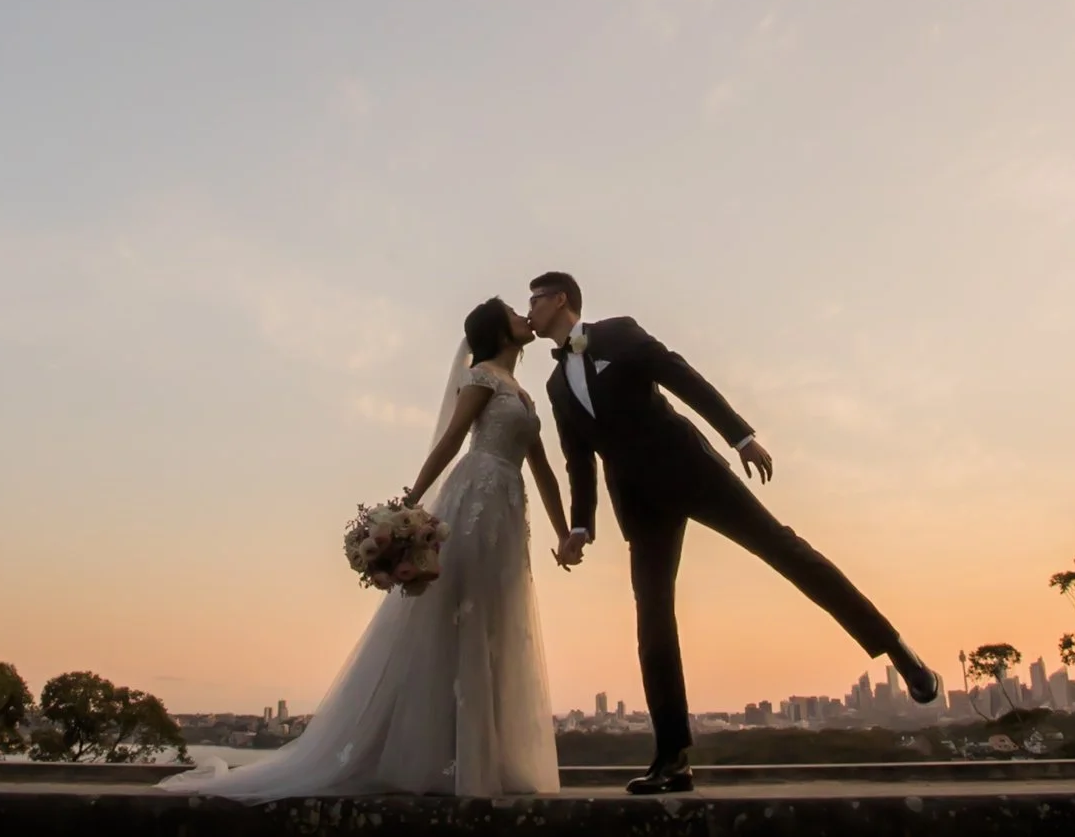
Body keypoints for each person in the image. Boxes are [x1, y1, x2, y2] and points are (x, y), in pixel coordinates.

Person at [527, 269, 938, 795]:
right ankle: (673, 759)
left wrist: (741, 436)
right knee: (652, 621)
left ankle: (900, 653)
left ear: (560, 300)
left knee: (786, 551)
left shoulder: (619, 332)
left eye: (534, 301)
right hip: (639, 503)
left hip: (693, 471)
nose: (530, 311)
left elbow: (684, 378)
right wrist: (580, 527)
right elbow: (578, 459)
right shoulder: (556, 384)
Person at [166, 298, 566, 798]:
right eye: (514, 311)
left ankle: (485, 758)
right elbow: (451, 441)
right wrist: (410, 504)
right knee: (460, 614)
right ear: (498, 330)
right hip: (477, 495)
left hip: (509, 509)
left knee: (497, 620)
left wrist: (564, 532)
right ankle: (453, 762)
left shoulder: (523, 395)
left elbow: (544, 469)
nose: (524, 315)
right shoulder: (482, 376)